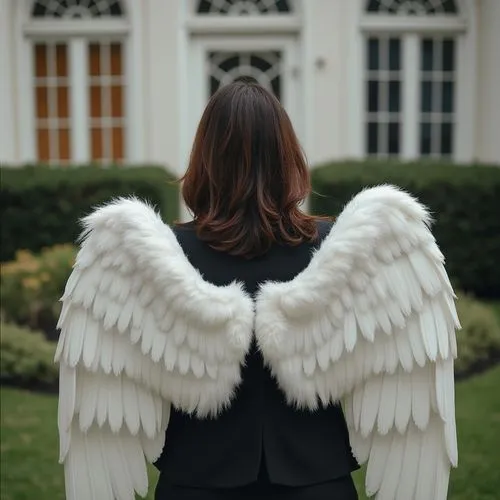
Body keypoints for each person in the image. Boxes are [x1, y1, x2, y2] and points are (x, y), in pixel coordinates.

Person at [56, 77, 459, 500]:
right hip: (316, 482)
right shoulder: (344, 248)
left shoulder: (156, 254)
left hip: (197, 481)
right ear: (287, 156)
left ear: (206, 157)